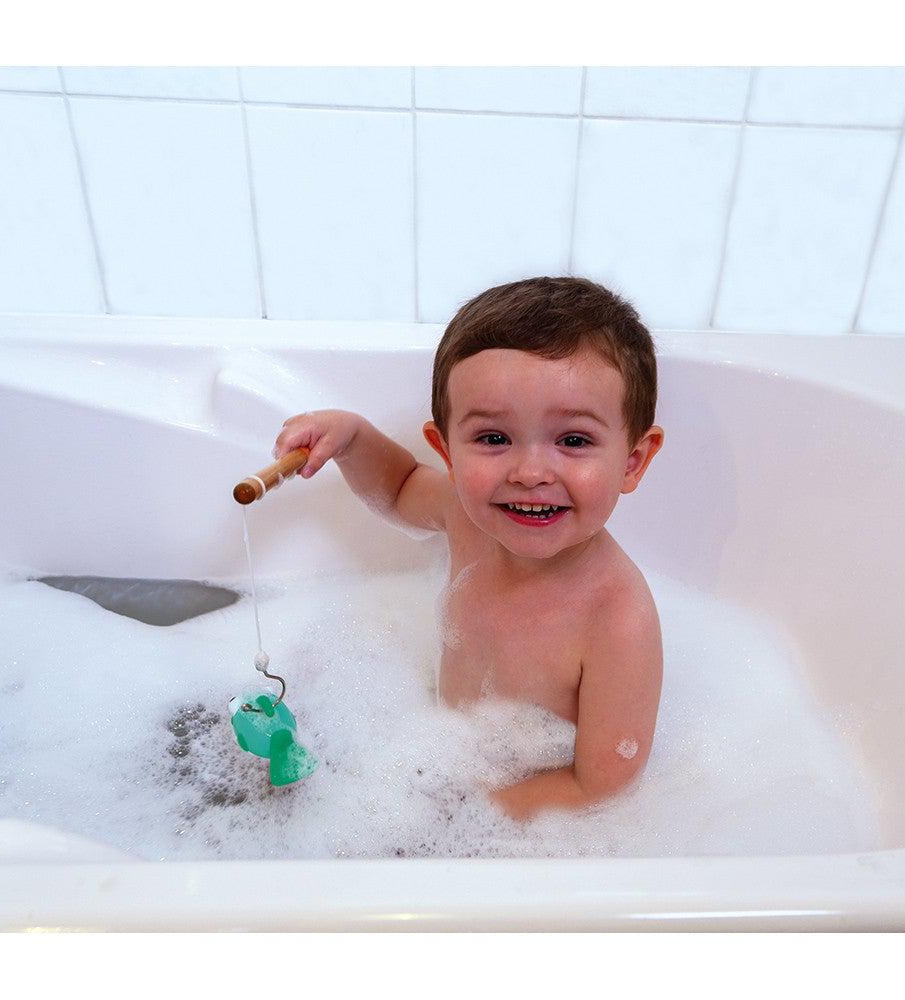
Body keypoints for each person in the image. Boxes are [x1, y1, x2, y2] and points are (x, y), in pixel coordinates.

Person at [273, 276, 664, 822]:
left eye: (573, 440)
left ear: (632, 462)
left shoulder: (617, 617)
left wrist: (463, 816)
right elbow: (399, 487)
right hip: (440, 751)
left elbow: (600, 784)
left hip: (516, 817)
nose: (530, 472)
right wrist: (353, 439)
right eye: (494, 439)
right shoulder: (467, 518)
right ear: (447, 451)